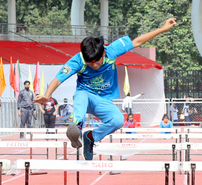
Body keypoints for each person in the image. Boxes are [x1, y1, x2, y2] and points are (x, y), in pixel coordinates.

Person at [37, 18, 176, 160]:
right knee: (81, 95)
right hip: (86, 97)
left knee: (118, 120)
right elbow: (58, 79)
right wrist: (47, 96)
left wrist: (162, 29)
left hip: (104, 101)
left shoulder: (112, 50)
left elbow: (137, 42)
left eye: (97, 61)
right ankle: (77, 127)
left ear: (103, 53)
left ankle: (91, 137)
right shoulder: (78, 60)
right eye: (89, 63)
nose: (94, 65)